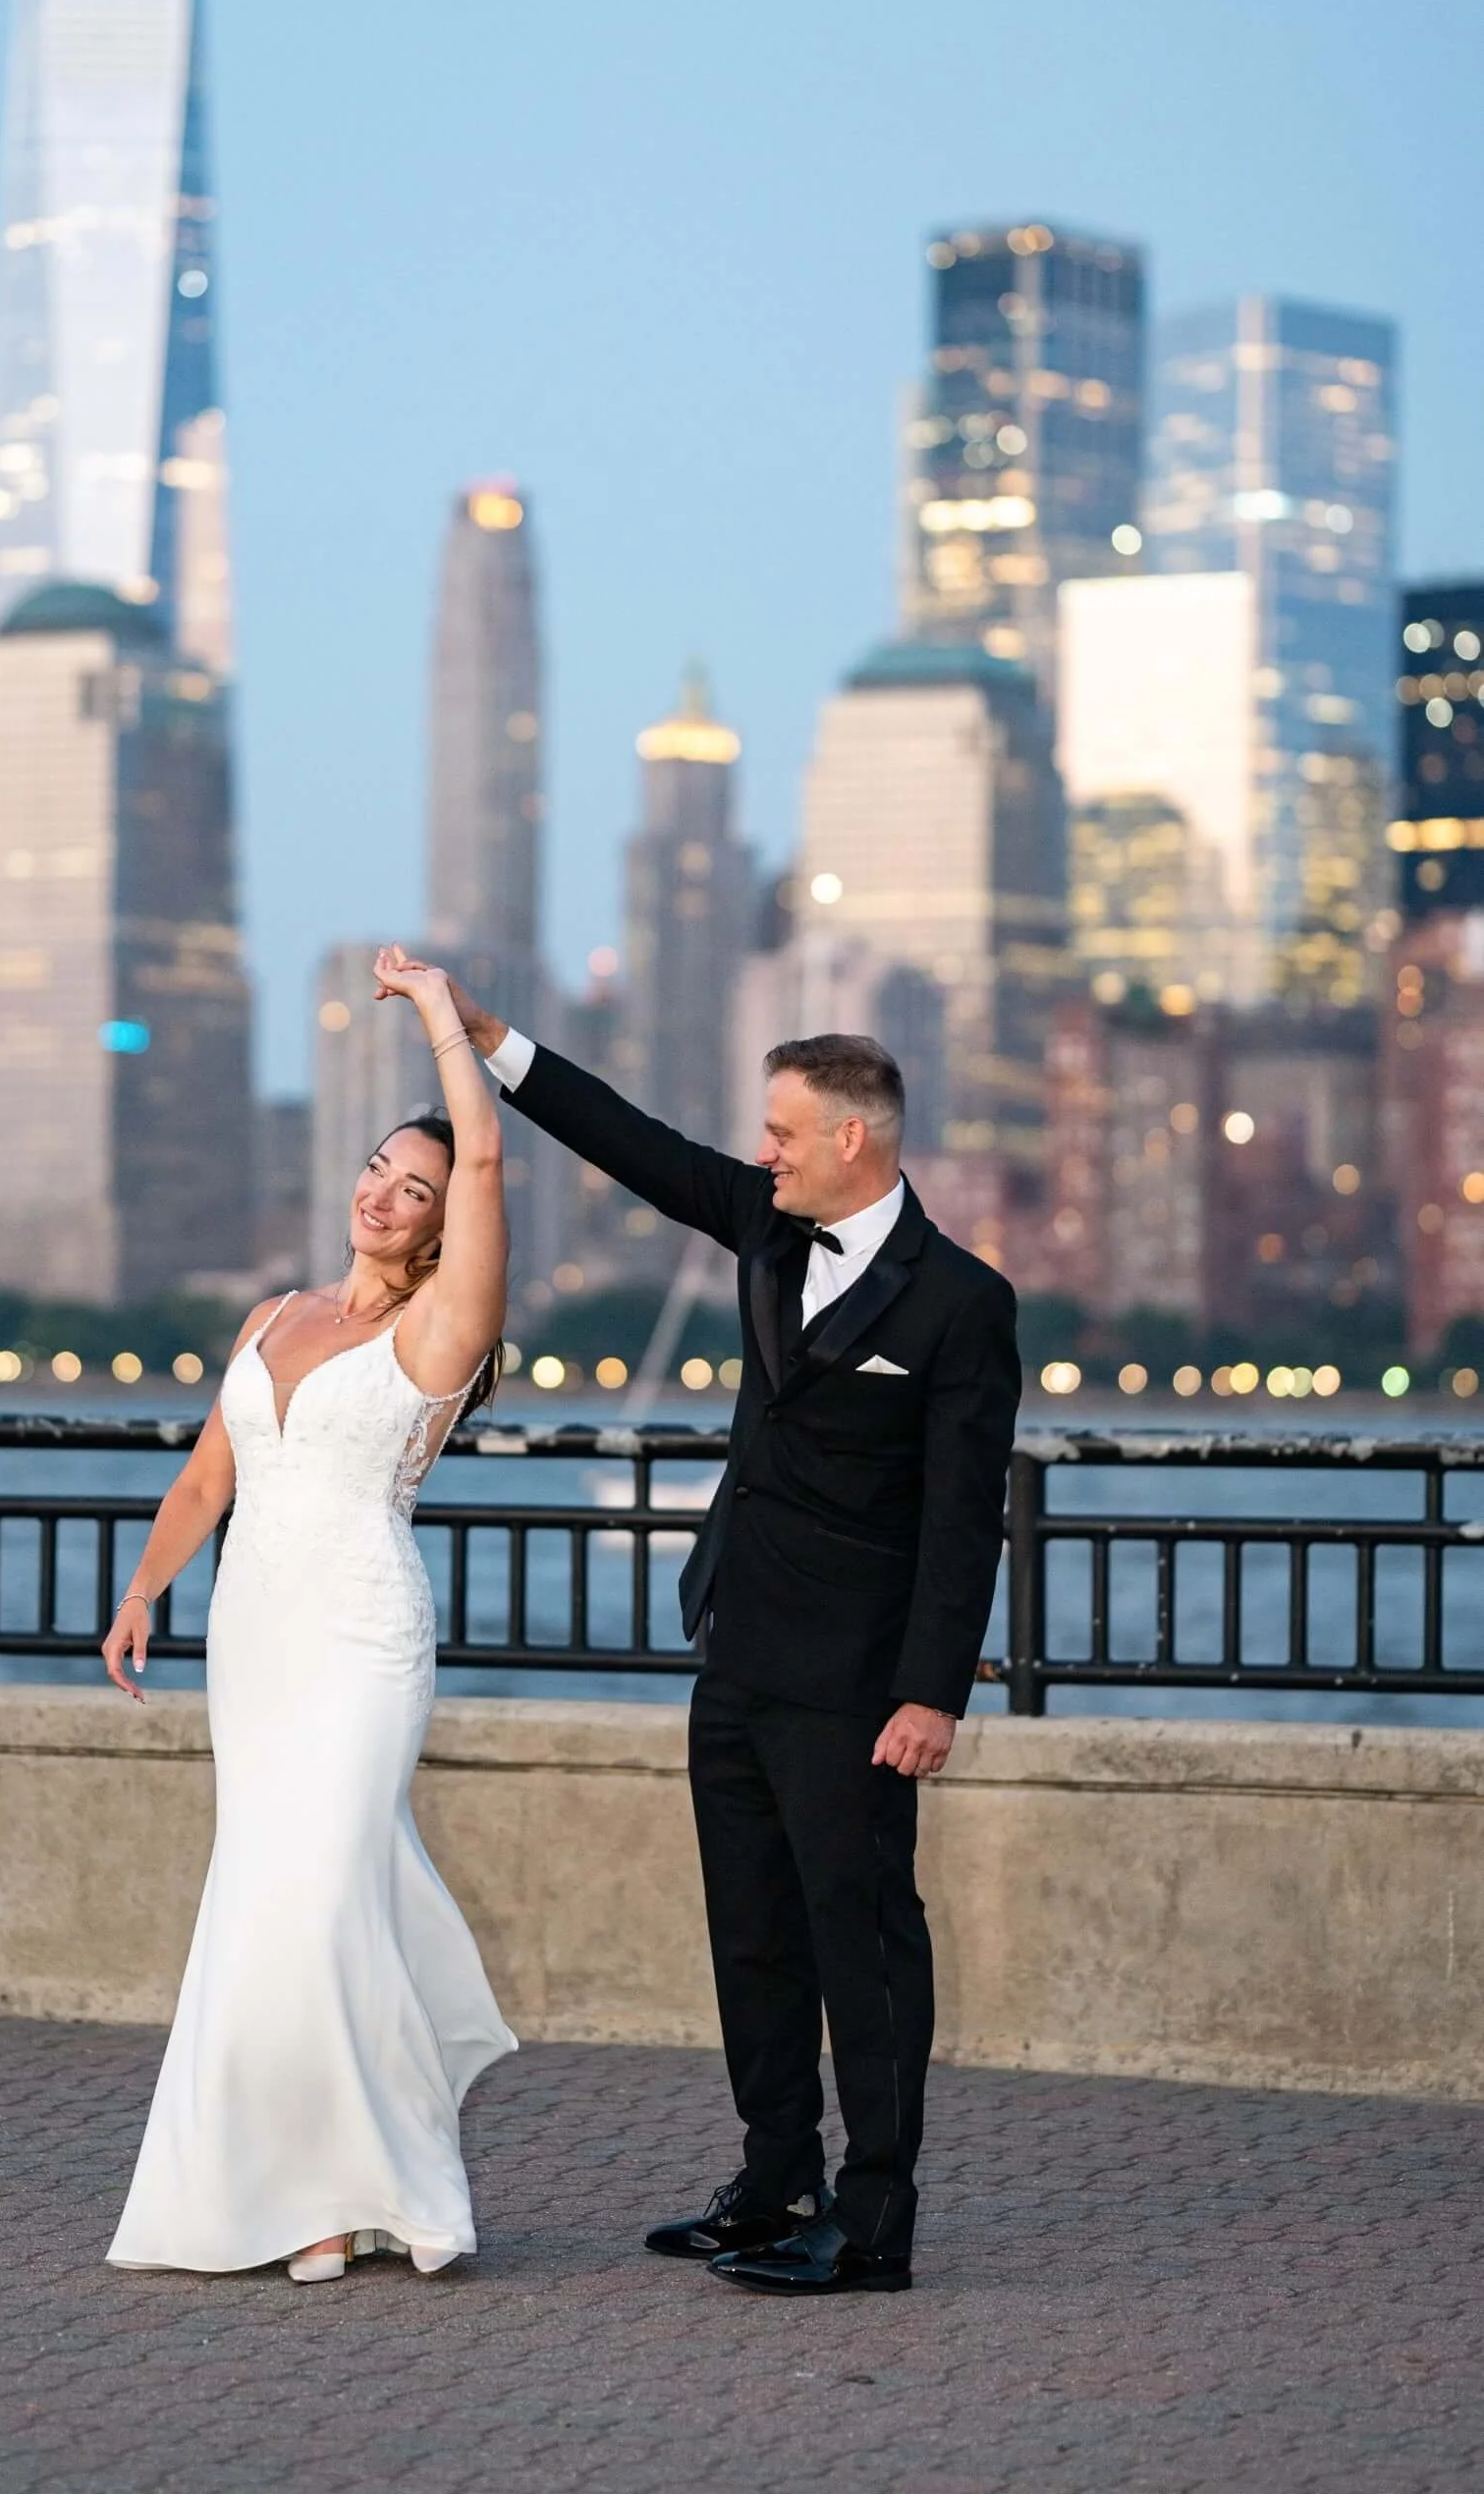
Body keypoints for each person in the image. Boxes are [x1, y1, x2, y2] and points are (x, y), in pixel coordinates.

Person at [428, 975, 1019, 2297]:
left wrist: (932, 1694)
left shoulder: (961, 1304)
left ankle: (872, 2223)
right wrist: (488, 1040)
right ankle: (772, 2182)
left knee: (860, 1940)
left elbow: (964, 1520)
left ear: (852, 1140)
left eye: (784, 1133)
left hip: (859, 1684)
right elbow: (633, 1143)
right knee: (750, 1931)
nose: (764, 1154)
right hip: (737, 1651)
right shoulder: (763, 1223)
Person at [100, 946, 517, 2284]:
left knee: (327, 1902)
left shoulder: (445, 1330)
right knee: (266, 1906)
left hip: (360, 1643)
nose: (387, 1199)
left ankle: (353, 2187)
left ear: (446, 1224)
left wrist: (448, 1023)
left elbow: (492, 1166)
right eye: (379, 1172)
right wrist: (144, 1589)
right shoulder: (273, 1315)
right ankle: (303, 2193)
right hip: (255, 1644)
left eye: (418, 1191)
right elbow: (209, 1473)